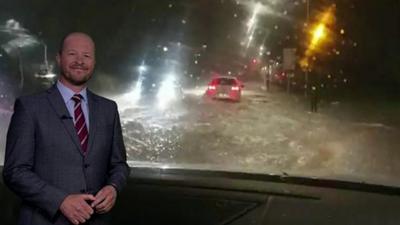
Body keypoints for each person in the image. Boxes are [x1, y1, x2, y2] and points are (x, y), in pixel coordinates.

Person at [3, 32, 130, 225]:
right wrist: (60, 201)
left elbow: (119, 164)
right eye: (72, 54)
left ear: (94, 62)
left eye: (86, 56)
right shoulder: (30, 107)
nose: (80, 61)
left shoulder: (108, 109)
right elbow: (15, 171)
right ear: (58, 58)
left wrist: (113, 187)